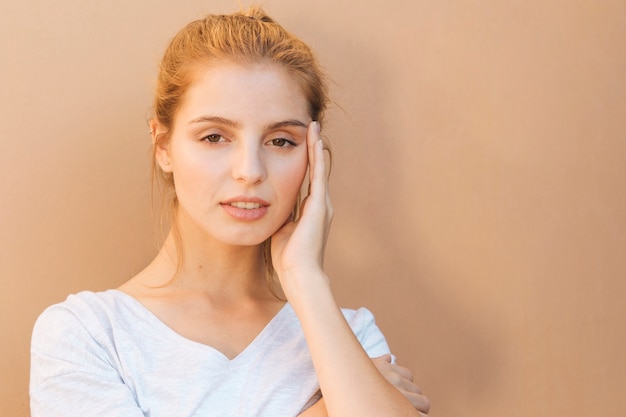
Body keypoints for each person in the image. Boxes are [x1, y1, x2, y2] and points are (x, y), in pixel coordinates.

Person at [30, 6, 430, 417]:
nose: (250, 172)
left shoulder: (349, 336)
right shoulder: (87, 334)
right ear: (163, 145)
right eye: (215, 136)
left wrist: (306, 279)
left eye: (281, 141)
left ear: (313, 156)